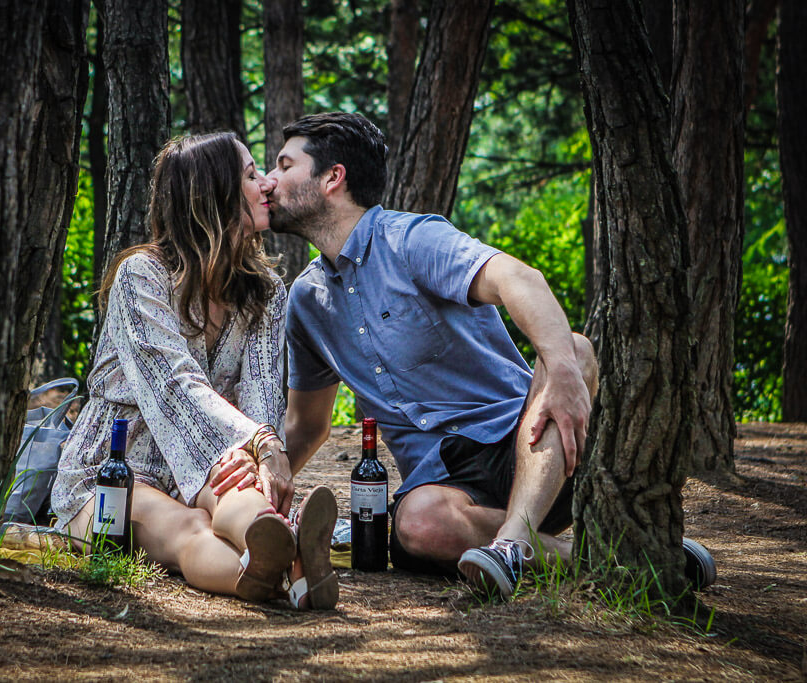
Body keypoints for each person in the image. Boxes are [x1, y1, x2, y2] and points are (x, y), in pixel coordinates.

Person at [268, 112, 716, 599]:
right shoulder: (308, 302)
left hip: (531, 443)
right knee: (416, 527)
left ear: (333, 177)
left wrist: (563, 369)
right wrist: (253, 486)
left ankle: (513, 542)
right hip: (447, 483)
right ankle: (616, 558)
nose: (270, 181)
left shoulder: (412, 240)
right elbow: (307, 426)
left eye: (284, 164)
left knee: (575, 348)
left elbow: (519, 279)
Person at [50, 132, 338, 610]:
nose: (267, 183)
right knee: (190, 527)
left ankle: (285, 549)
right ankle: (289, 577)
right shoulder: (141, 277)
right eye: (250, 175)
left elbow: (263, 395)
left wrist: (257, 456)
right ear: (215, 195)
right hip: (115, 471)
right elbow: (173, 386)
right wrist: (261, 441)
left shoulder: (264, 289)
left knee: (240, 493)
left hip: (210, 453)